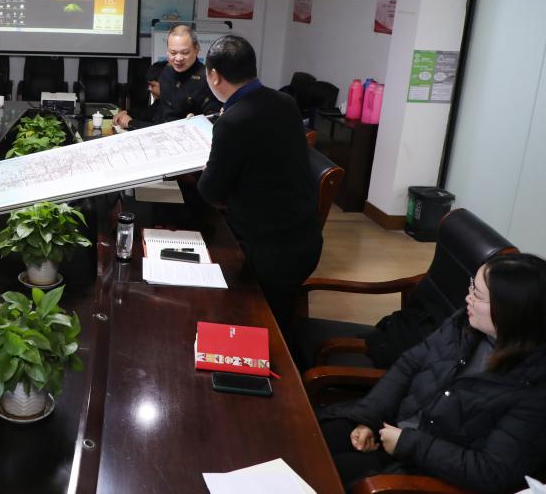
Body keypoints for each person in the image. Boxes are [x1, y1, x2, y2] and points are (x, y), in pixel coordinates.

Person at [320, 253, 546, 493]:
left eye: (478, 296)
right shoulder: (464, 324)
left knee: (324, 475)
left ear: (511, 312)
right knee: (314, 440)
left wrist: (408, 443)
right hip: (395, 430)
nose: (468, 298)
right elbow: (409, 365)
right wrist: (368, 418)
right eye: (472, 286)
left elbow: (490, 471)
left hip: (431, 470)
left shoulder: (534, 386)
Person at [196, 34, 321, 343]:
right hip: (303, 239)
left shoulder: (233, 121)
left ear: (214, 76)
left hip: (268, 253)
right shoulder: (284, 102)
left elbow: (211, 192)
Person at [114, 25, 218, 129]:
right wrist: (130, 113)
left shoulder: (208, 80)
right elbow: (159, 108)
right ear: (167, 51)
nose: (178, 58)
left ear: (197, 49)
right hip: (161, 132)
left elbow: (213, 123)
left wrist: (132, 123)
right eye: (173, 53)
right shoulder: (167, 70)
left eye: (185, 53)